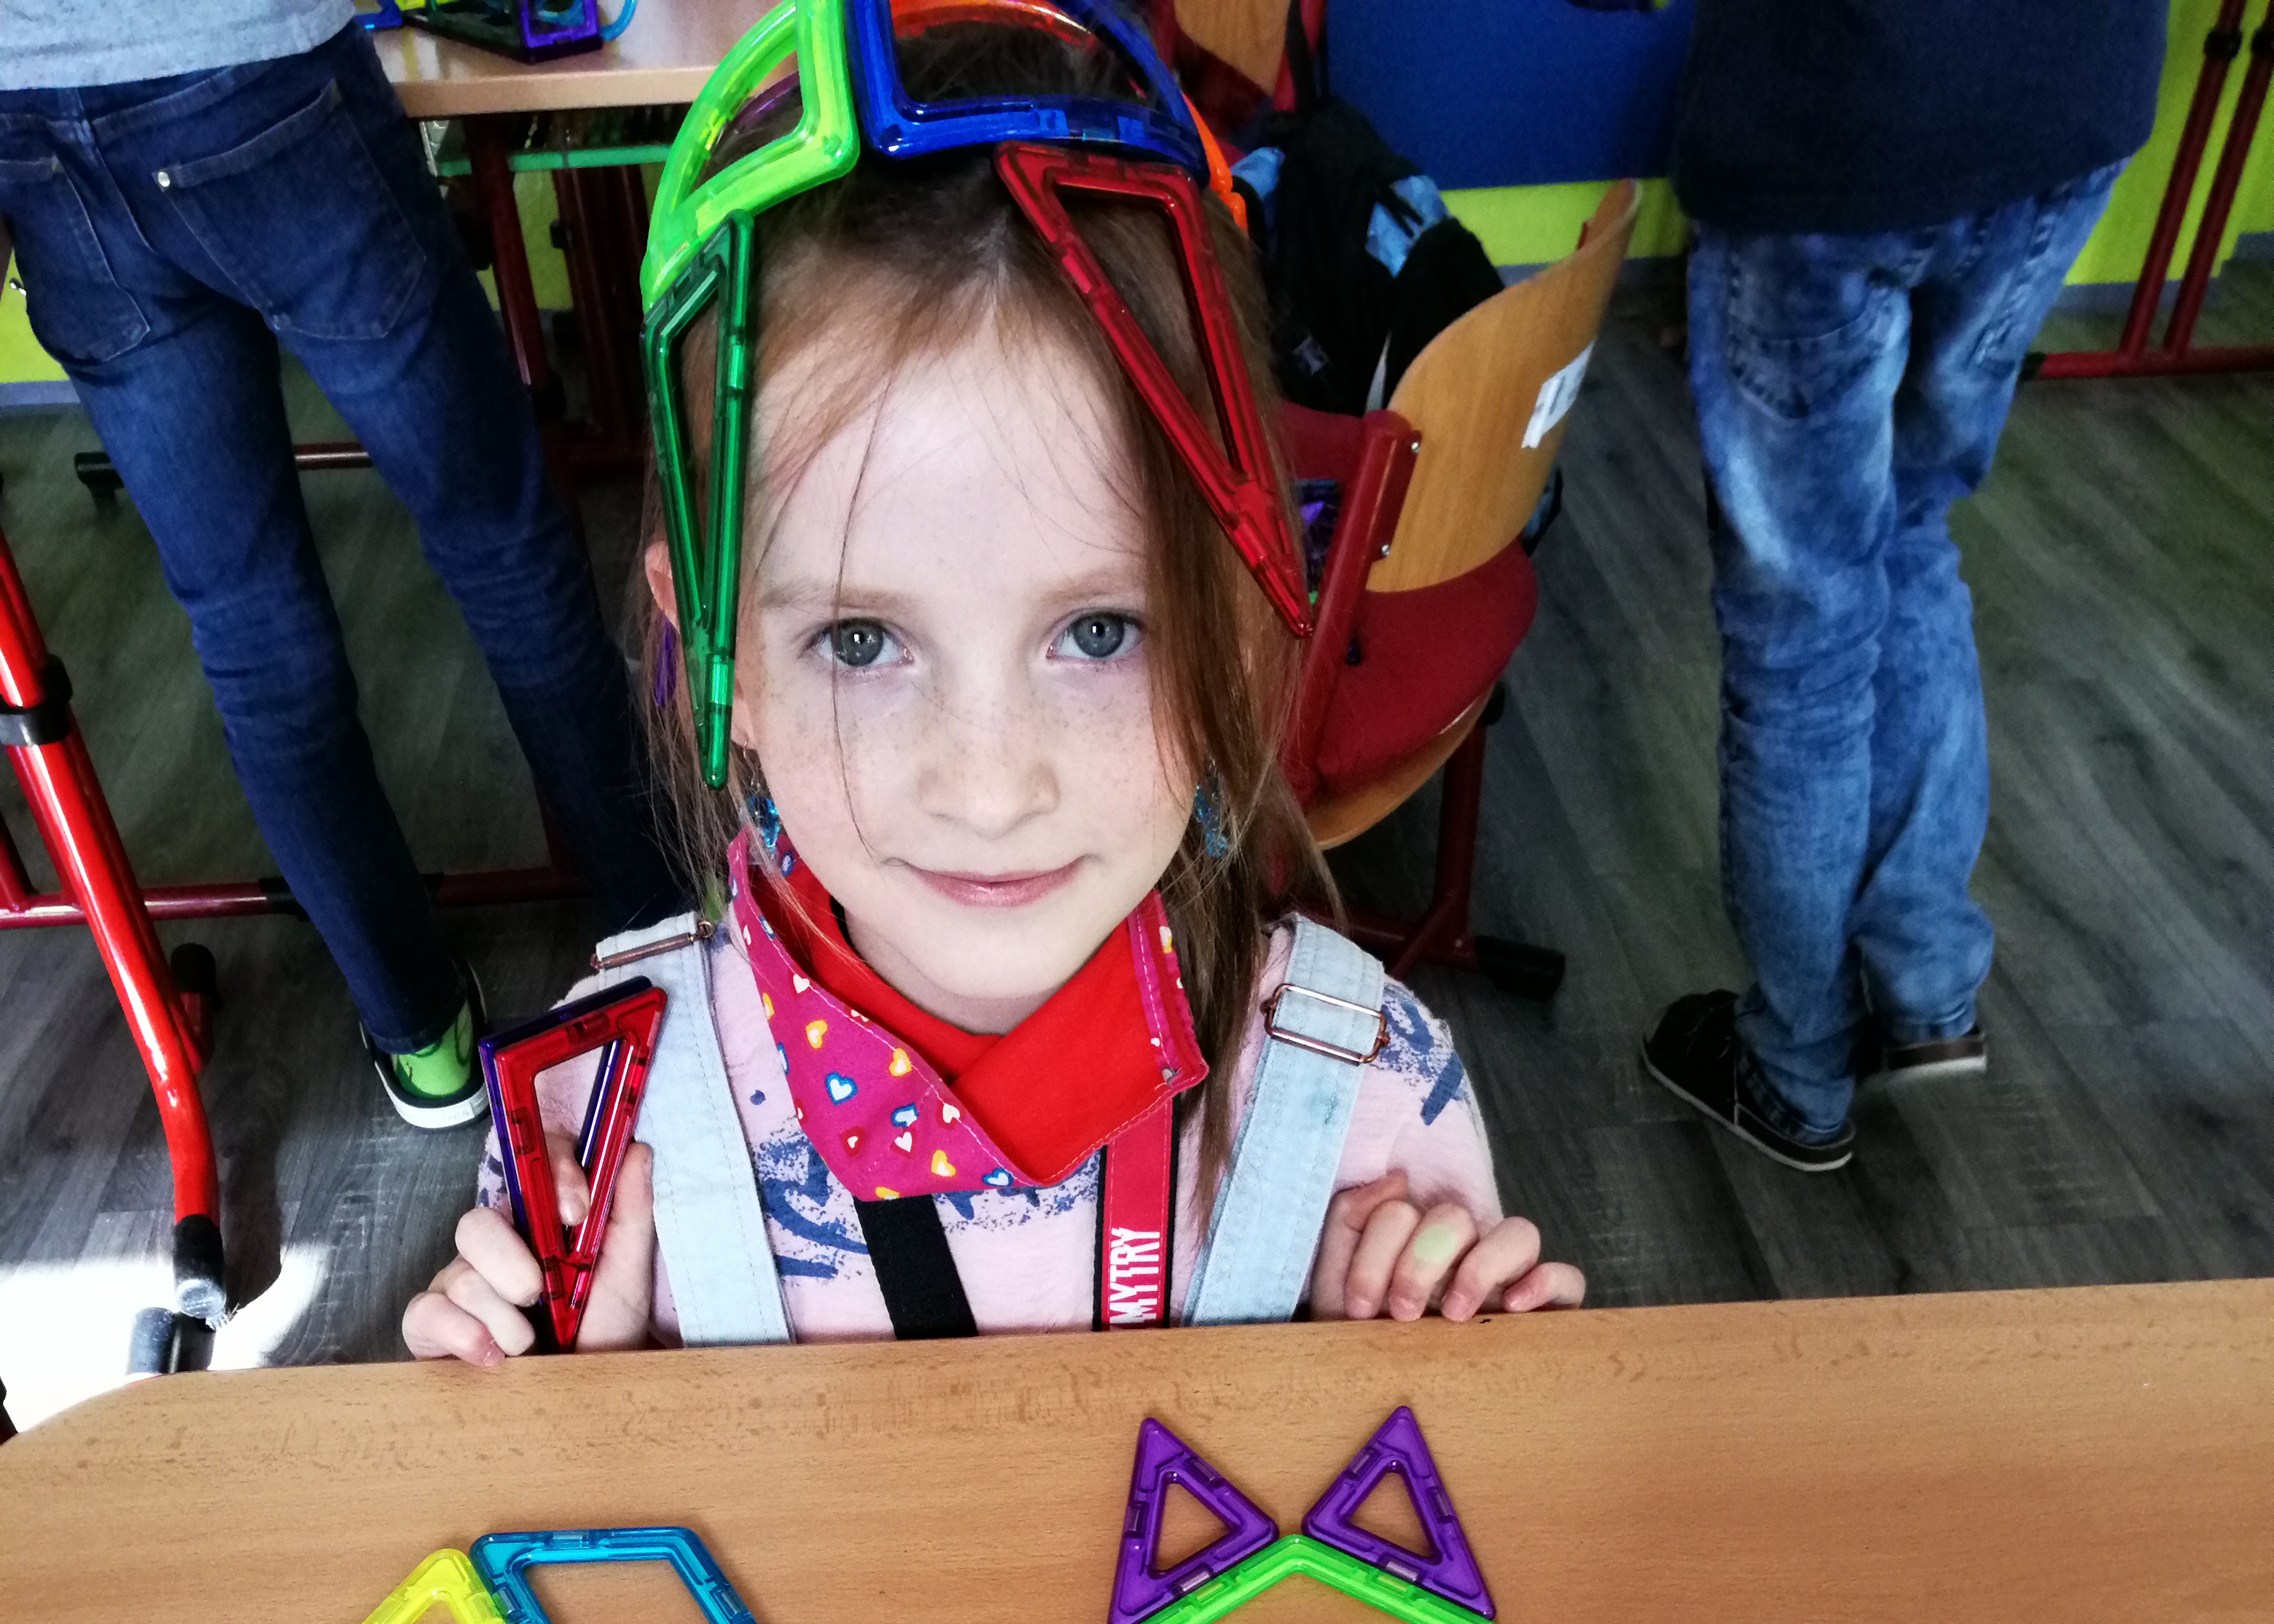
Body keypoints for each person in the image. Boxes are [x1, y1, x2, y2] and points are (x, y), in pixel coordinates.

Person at [405, 7, 1580, 1360]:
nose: (989, 785)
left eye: (1100, 631)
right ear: (716, 652)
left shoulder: (1368, 1110)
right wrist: (577, 1391)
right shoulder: (601, 1128)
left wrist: (1417, 1340)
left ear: (1243, 623)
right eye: (861, 642)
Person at [0, 5, 681, 1129]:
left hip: (31, 121)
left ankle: (421, 1038)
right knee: (503, 546)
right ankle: (664, 938)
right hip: (251, 70)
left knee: (248, 632)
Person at [1641, 0, 2164, 1173]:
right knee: (1912, 529)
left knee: (1802, 636)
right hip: (2073, 98)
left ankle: (1794, 1070)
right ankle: (1926, 989)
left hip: (1840, 121)